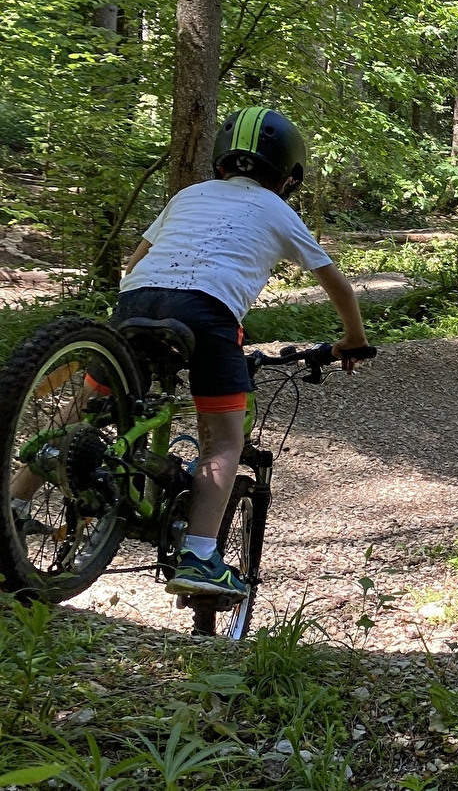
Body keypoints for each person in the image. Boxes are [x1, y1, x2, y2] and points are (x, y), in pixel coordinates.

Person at [10, 107, 372, 598]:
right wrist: (353, 341)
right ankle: (199, 558)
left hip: (136, 304)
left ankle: (13, 504)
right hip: (207, 313)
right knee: (224, 441)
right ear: (289, 176)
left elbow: (134, 262)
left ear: (221, 161)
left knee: (83, 409)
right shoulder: (278, 210)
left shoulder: (188, 195)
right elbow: (339, 287)